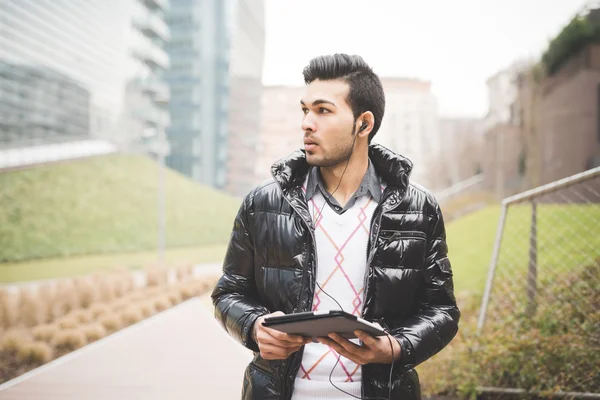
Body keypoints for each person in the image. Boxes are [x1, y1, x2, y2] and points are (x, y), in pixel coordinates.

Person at [212, 54, 460, 400]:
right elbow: (228, 293)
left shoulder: (419, 209)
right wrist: (254, 326)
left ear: (364, 123)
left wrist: (397, 346)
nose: (307, 124)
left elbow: (442, 310)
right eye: (304, 110)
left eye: (323, 111)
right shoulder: (262, 204)